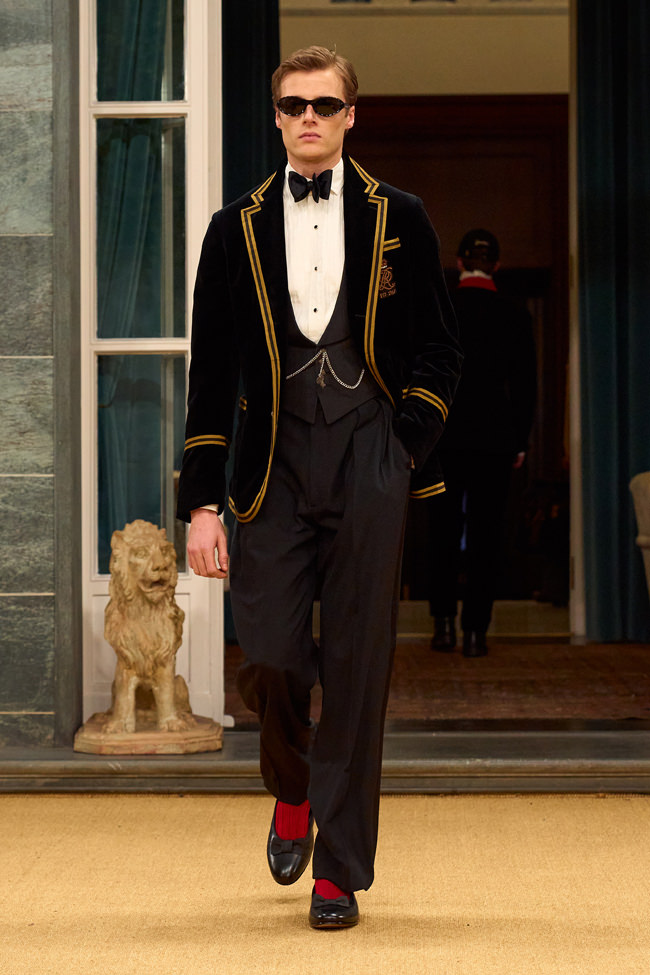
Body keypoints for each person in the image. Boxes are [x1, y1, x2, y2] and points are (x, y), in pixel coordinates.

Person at [176, 46, 461, 929]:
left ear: (349, 115)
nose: (309, 117)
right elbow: (211, 370)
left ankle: (338, 869)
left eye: (324, 104)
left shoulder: (401, 216)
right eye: (294, 104)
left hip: (371, 458)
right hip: (272, 467)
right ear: (276, 117)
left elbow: (440, 348)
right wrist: (201, 503)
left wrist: (404, 445)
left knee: (357, 668)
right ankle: (293, 787)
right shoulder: (234, 227)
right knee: (270, 654)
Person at [428, 229, 536, 657]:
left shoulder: (441, 307)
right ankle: (475, 632)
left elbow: (422, 372)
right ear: (496, 265)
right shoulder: (514, 313)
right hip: (495, 437)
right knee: (486, 536)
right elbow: (525, 385)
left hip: (443, 435)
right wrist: (520, 438)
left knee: (442, 530)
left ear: (459, 263)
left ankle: (442, 626)